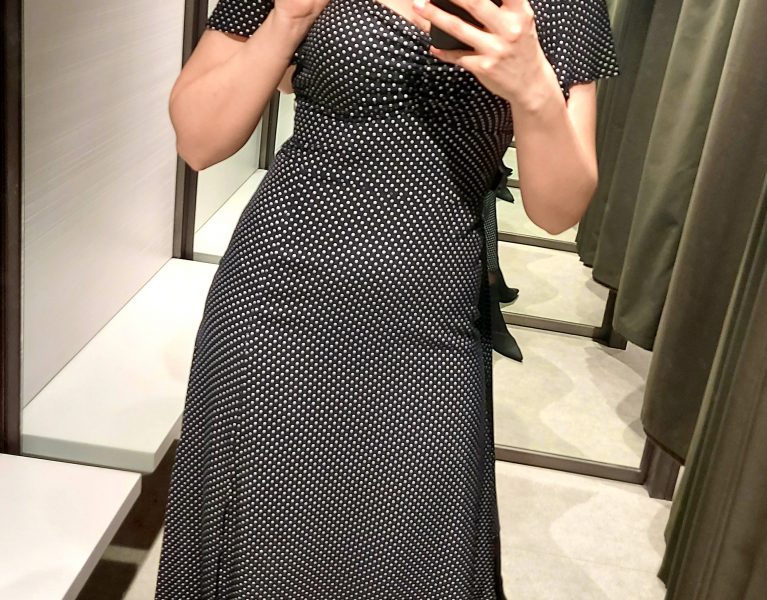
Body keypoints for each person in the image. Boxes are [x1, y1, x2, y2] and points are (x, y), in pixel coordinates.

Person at [155, 0, 619, 598]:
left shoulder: (560, 6)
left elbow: (558, 210)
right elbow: (197, 141)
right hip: (275, 300)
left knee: (415, 546)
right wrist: (289, 18)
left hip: (434, 317)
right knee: (252, 531)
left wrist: (533, 89)